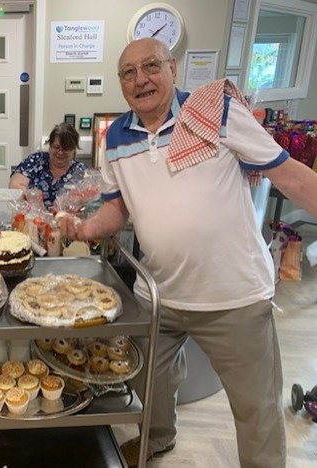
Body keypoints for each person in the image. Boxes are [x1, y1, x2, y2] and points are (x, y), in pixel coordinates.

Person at [59, 38, 317, 468]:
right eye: (128, 72)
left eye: (151, 66)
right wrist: (86, 228)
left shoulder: (216, 114)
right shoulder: (117, 138)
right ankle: (157, 440)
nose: (141, 79)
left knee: (256, 407)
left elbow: (289, 176)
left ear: (173, 68)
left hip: (232, 296)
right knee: (151, 384)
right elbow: (117, 206)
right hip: (159, 293)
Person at [9, 123, 86, 209]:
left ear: (74, 150)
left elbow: (87, 200)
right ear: (50, 146)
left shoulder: (81, 171)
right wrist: (31, 195)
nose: (60, 152)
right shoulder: (36, 160)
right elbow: (15, 184)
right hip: (30, 217)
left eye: (66, 149)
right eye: (56, 147)